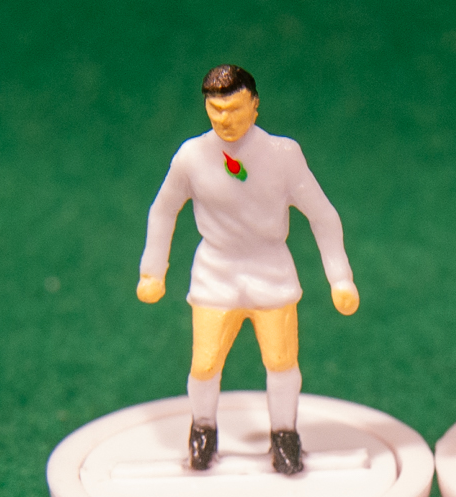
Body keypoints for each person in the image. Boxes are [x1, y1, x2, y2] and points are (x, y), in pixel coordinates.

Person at [137, 64, 359, 474]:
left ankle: (284, 434)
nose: (225, 119)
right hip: (215, 273)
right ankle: (203, 430)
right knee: (204, 364)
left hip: (270, 272)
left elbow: (322, 215)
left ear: (255, 105)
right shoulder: (191, 157)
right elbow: (163, 210)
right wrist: (152, 271)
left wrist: (340, 277)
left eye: (235, 109)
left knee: (281, 361)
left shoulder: (283, 155)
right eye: (216, 109)